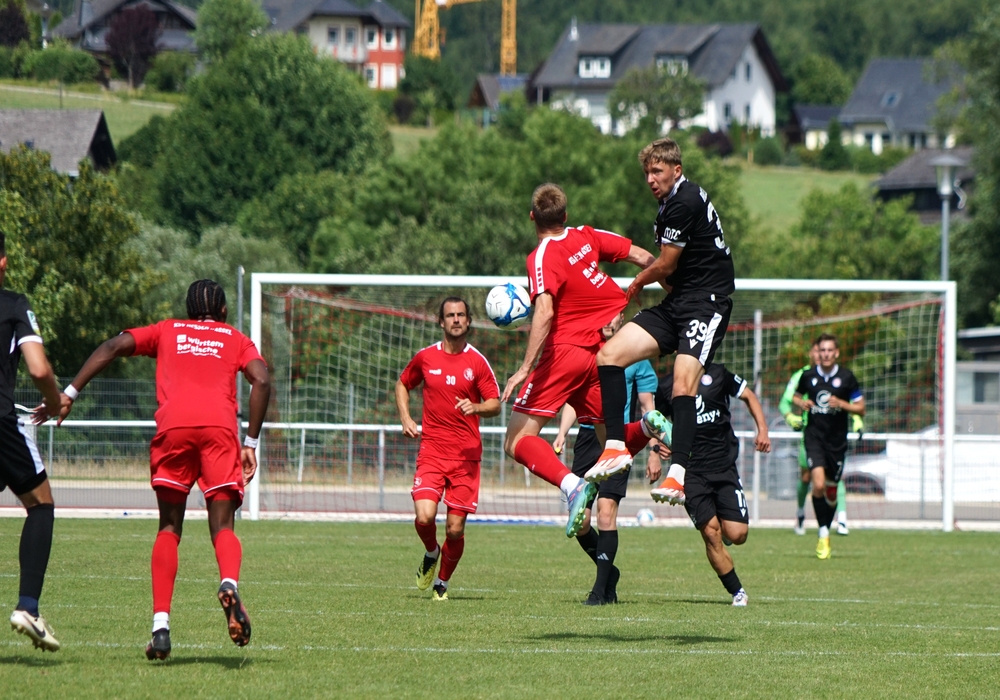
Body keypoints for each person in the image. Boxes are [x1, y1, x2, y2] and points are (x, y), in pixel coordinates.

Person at [53, 280, 271, 659]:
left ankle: (160, 629)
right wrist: (250, 442)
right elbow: (262, 379)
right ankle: (229, 584)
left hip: (174, 428)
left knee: (169, 528)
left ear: (188, 310)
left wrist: (69, 393)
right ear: (223, 311)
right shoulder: (235, 338)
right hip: (219, 429)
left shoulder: (167, 330)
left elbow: (113, 346)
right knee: (222, 526)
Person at [500, 183, 664, 539]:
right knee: (610, 441)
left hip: (566, 352)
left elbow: (545, 311)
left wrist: (525, 368)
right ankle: (646, 427)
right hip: (601, 352)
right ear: (565, 215)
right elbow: (642, 256)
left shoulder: (541, 256)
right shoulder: (586, 235)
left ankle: (572, 485)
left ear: (532, 217)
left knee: (516, 440)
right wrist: (668, 289)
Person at [590, 137, 736, 510]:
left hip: (707, 304)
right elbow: (672, 274)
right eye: (647, 173)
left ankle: (679, 474)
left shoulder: (684, 201)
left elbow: (666, 264)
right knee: (609, 355)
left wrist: (636, 283)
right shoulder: (668, 205)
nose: (651, 179)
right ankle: (615, 447)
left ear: (676, 170)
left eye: (657, 171)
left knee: (684, 383)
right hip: (679, 303)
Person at [552, 315, 662, 605]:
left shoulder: (635, 353)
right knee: (580, 521)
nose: (608, 320)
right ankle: (609, 573)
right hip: (587, 440)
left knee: (605, 512)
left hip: (617, 440)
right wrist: (562, 432)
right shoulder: (585, 351)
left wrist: (653, 450)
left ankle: (599, 591)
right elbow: (574, 400)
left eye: (613, 315)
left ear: (621, 317)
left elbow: (647, 407)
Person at [396, 298, 500, 601]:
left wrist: (476, 406)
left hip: (466, 457)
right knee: (425, 516)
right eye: (450, 315)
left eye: (461, 315)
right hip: (432, 451)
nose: (456, 319)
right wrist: (405, 417)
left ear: (468, 321)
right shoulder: (426, 357)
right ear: (441, 322)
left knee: (455, 529)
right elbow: (402, 384)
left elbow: (495, 404)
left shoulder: (477, 362)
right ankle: (431, 551)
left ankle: (442, 582)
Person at [652, 363, 770, 606]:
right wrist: (656, 450)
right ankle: (737, 592)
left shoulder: (719, 374)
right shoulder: (666, 386)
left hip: (724, 467)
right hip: (690, 472)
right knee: (710, 533)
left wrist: (763, 430)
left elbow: (749, 396)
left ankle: (727, 529)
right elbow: (654, 422)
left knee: (737, 534)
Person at [0, 232, 62, 651]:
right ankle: (28, 607)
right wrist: (55, 401)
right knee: (41, 504)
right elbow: (38, 368)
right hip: (1, 422)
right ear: (3, 262)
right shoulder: (14, 304)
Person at [792, 333, 865, 560]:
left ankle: (828, 523)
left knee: (832, 491)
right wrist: (802, 403)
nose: (825, 354)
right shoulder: (808, 375)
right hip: (814, 438)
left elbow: (861, 408)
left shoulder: (846, 377)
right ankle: (823, 532)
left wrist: (842, 404)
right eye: (822, 350)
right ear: (818, 352)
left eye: (829, 350)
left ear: (836, 353)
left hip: (837, 442)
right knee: (818, 484)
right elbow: (795, 396)